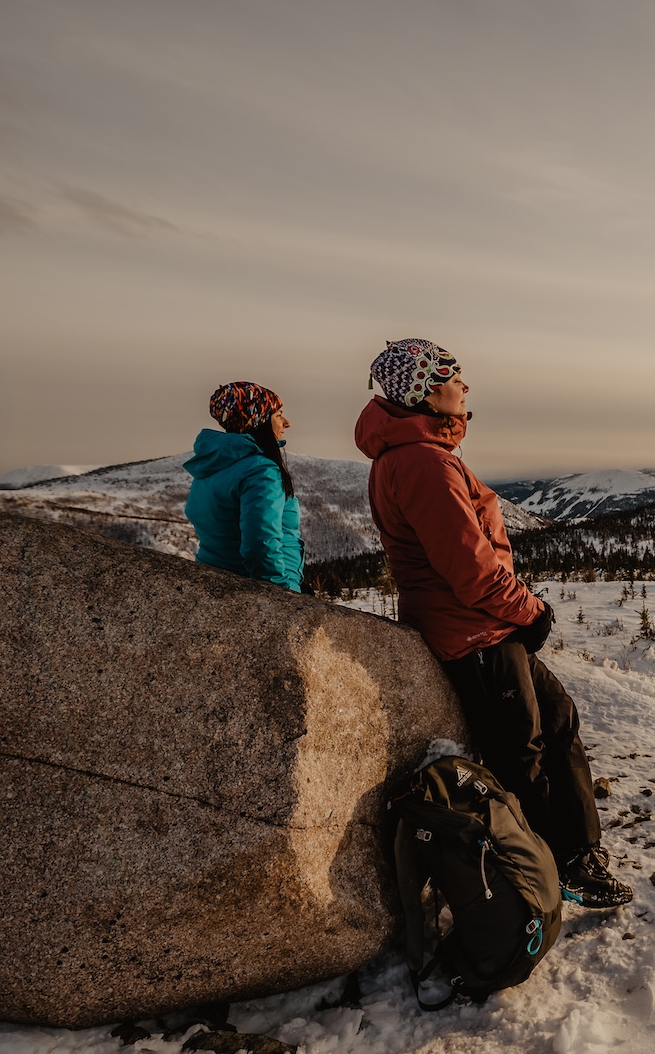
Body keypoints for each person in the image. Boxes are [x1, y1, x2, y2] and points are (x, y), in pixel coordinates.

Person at [354, 339, 631, 908]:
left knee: (557, 721)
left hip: (484, 626)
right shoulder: (425, 463)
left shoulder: (417, 454)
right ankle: (552, 871)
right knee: (521, 754)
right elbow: (471, 571)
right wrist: (533, 611)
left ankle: (579, 851)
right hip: (473, 631)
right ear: (427, 390)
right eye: (455, 376)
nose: (465, 386)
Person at [184, 381, 304, 592]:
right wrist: (282, 592)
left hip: (213, 582)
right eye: (278, 415)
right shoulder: (261, 471)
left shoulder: (213, 464)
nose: (286, 423)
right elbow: (260, 543)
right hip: (255, 590)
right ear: (259, 420)